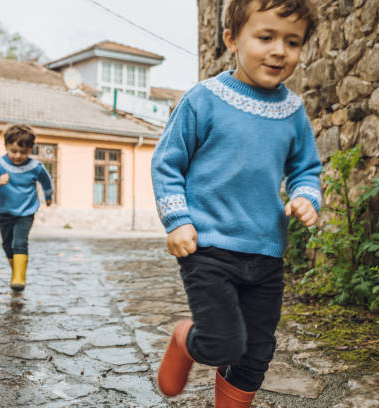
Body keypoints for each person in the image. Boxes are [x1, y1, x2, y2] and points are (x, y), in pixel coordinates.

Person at [151, 0, 321, 406]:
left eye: (293, 42)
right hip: (207, 246)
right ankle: (185, 339)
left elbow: (306, 169)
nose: (280, 50)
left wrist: (304, 196)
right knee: (222, 342)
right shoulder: (203, 100)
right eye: (265, 37)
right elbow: (167, 163)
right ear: (232, 39)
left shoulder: (293, 112)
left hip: (266, 254)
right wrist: (177, 220)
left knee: (256, 353)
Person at [0, 123, 53, 292]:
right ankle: (17, 272)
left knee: (19, 242)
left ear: (31, 149)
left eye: (24, 152)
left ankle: (19, 278)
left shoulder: (36, 167)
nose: (18, 156)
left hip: (25, 213)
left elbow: (46, 182)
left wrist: (49, 197)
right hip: (4, 212)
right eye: (14, 151)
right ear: (6, 146)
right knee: (7, 245)